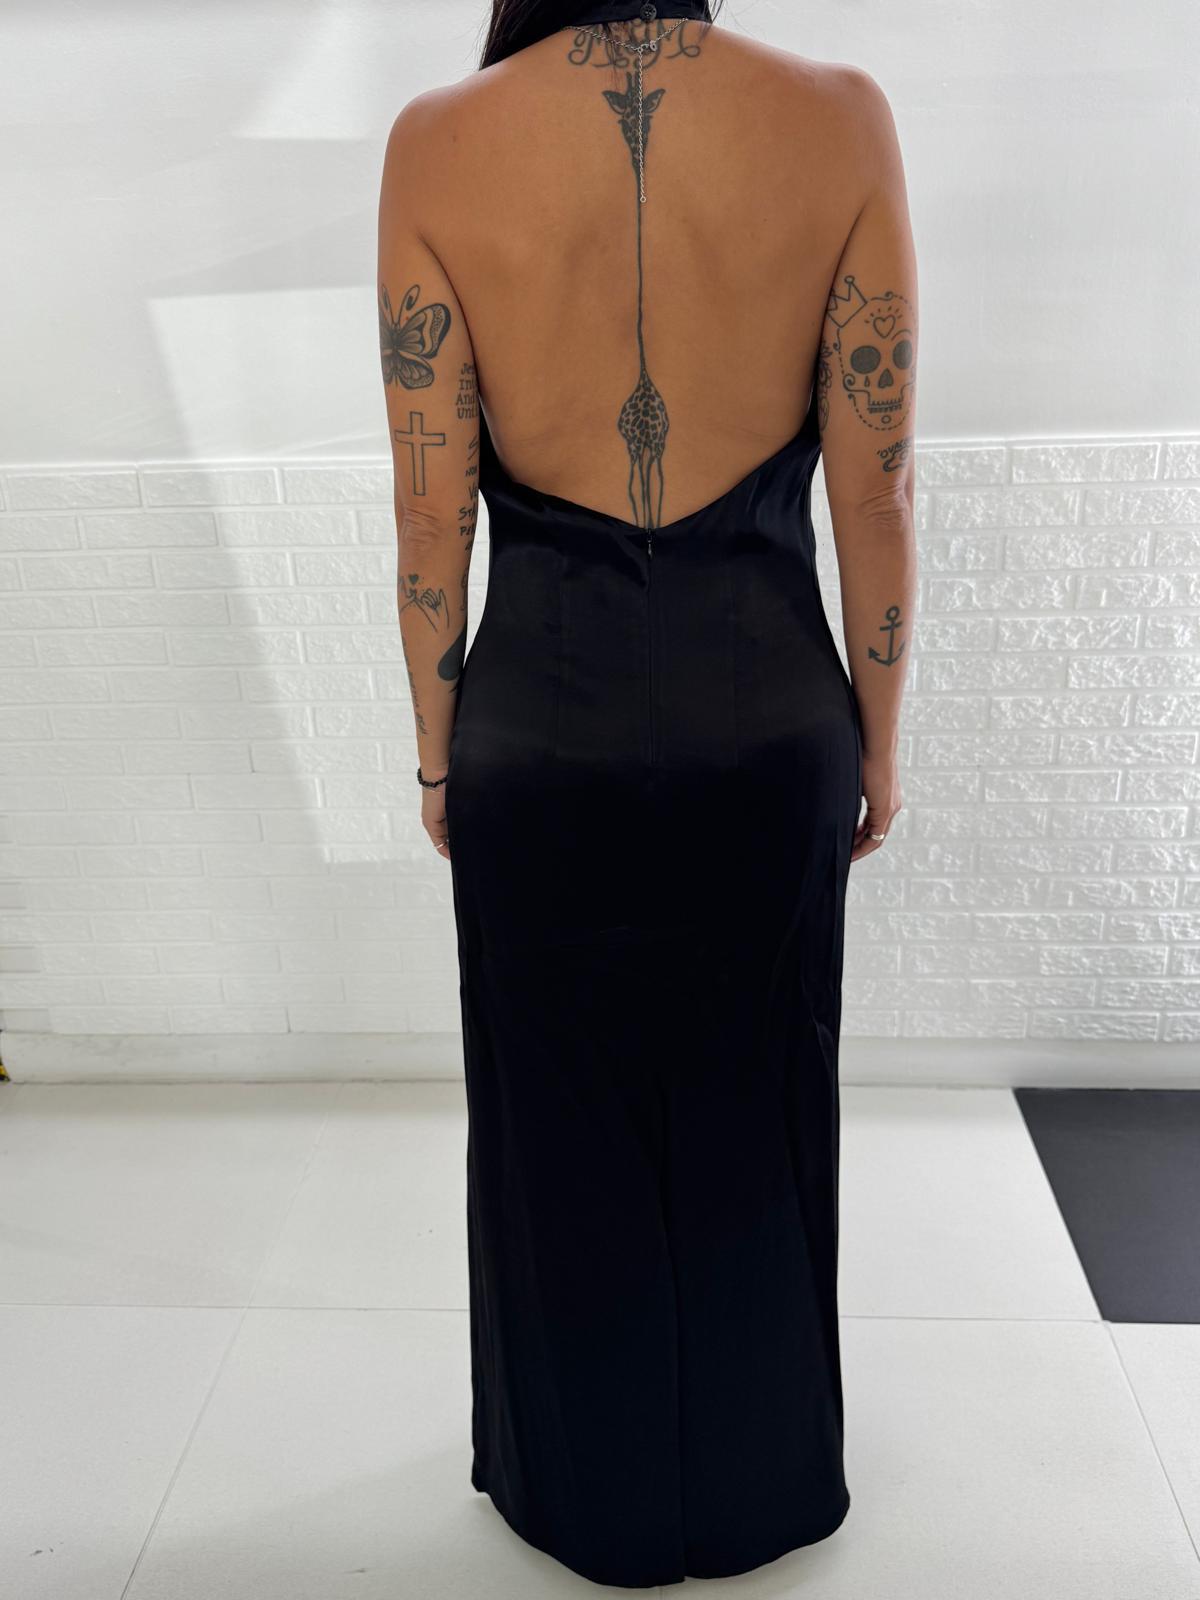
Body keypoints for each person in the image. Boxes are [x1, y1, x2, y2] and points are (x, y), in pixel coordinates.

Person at [377, 0, 916, 1585]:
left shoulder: (439, 141)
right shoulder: (839, 115)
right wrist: (880, 735)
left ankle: (584, 1491)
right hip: (769, 709)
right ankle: (755, 1486)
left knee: (556, 1117)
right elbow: (878, 484)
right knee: (761, 1095)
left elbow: (430, 512)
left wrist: (437, 750)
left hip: (543, 721)